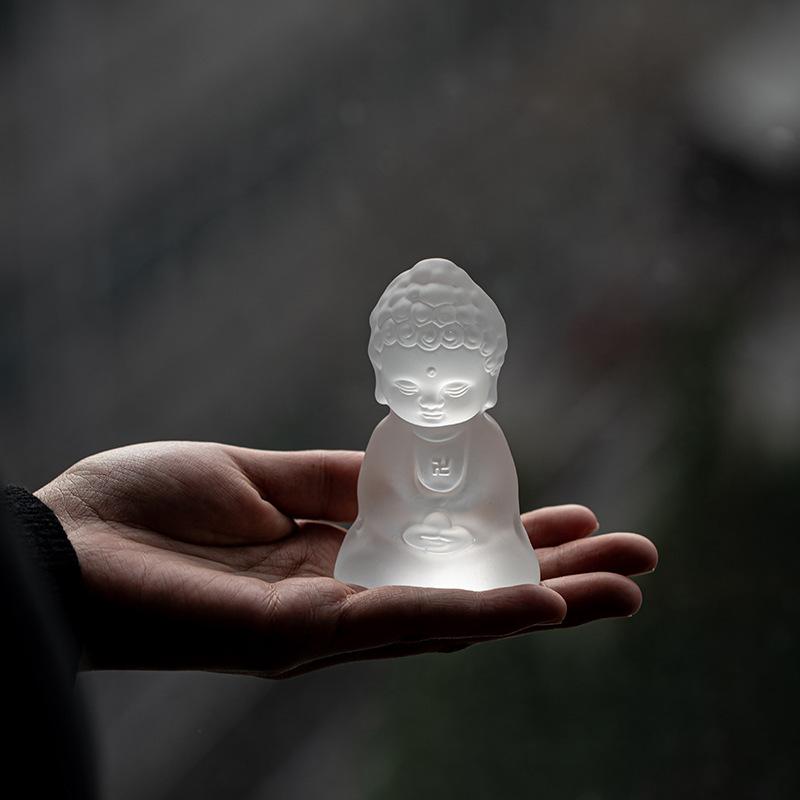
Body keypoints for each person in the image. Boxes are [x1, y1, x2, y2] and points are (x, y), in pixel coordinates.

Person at [3, 440, 657, 797]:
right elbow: (377, 527)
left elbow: (481, 520)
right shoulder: (399, 446)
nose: (432, 393)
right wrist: (56, 548)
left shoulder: (477, 446)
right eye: (411, 375)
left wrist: (52, 548)